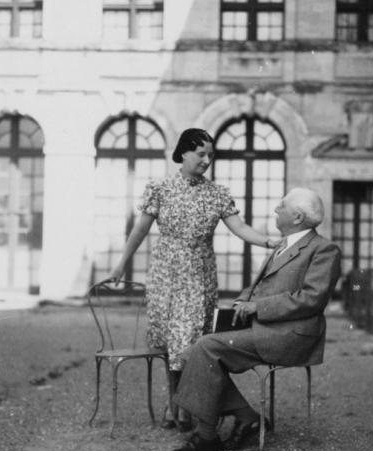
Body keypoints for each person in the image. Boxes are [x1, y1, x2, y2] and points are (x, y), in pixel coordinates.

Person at [105, 128, 282, 431]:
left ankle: (185, 407)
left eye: (210, 155)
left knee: (188, 344)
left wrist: (268, 242)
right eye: (201, 154)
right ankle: (176, 405)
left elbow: (239, 227)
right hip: (165, 276)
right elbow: (140, 230)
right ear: (183, 152)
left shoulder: (217, 193)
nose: (206, 160)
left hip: (200, 279)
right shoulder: (159, 188)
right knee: (171, 346)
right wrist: (121, 264)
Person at [167, 187, 342, 451]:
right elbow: (258, 286)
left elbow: (312, 299)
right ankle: (247, 416)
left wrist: (257, 307)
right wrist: (241, 302)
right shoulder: (283, 244)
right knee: (191, 354)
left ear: (296, 216)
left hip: (291, 335)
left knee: (205, 348)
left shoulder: (324, 250)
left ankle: (206, 436)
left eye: (281, 205)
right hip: (268, 328)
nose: (275, 210)